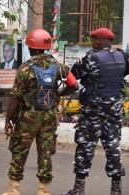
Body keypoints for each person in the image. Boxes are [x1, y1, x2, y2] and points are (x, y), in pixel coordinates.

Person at [2, 28, 79, 195]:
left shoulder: (25, 69)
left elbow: (14, 98)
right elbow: (74, 85)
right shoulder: (59, 67)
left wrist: (9, 120)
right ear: (46, 48)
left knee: (19, 151)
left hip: (28, 117)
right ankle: (43, 191)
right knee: (45, 153)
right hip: (49, 117)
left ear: (30, 48)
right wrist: (58, 93)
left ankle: (14, 190)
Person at [62, 28, 128, 195]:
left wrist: (58, 94)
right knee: (113, 147)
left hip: (94, 111)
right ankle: (116, 190)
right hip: (115, 110)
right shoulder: (123, 56)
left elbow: (73, 76)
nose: (92, 43)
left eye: (93, 40)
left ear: (98, 41)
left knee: (85, 147)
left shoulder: (92, 58)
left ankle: (78, 190)